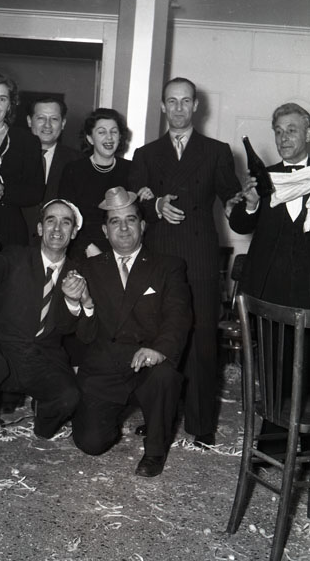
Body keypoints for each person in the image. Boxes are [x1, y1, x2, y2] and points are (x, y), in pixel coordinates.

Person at [129, 77, 241, 447]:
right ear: (163, 106)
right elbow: (134, 205)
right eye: (172, 101)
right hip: (159, 257)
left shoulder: (217, 151)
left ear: (196, 106)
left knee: (203, 339)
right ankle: (156, 417)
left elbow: (233, 200)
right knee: (157, 334)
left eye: (185, 101)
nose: (178, 108)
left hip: (200, 258)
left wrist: (244, 203)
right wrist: (156, 205)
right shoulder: (146, 154)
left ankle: (201, 422)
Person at [60, 186, 191, 477]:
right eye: (115, 222)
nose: (123, 228)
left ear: (143, 226)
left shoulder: (168, 266)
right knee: (91, 443)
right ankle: (114, 416)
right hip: (105, 366)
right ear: (105, 231)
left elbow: (178, 316)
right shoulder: (88, 268)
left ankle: (155, 450)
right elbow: (84, 335)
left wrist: (159, 350)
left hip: (147, 362)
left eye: (130, 220)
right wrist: (82, 303)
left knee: (165, 376)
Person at [0, 199, 83, 455]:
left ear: (74, 232)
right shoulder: (17, 257)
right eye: (51, 221)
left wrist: (73, 300)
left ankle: (42, 421)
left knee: (70, 396)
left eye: (65, 222)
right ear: (40, 228)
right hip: (5, 350)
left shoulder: (78, 272)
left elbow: (70, 328)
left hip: (44, 356)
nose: (57, 229)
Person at [229, 102, 310, 453]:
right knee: (274, 369)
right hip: (269, 292)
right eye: (278, 132)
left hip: (308, 291)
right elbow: (239, 225)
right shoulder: (265, 178)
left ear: (308, 133)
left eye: (291, 130)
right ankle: (274, 445)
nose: (283, 138)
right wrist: (250, 203)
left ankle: (305, 444)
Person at [0, 72, 44, 332]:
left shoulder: (27, 141)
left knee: (5, 308)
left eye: (2, 99)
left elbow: (36, 192)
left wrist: (3, 191)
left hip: (11, 234)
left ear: (10, 104)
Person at [58, 108, 132, 259]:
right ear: (90, 138)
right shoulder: (74, 170)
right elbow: (67, 216)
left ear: (120, 137)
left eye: (114, 132)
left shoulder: (131, 169)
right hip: (84, 249)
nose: (109, 137)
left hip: (123, 249)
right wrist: (88, 247)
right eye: (101, 132)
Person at [23, 97, 81, 245]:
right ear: (29, 121)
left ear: (63, 123)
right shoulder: (12, 156)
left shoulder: (78, 161)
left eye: (54, 119)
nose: (47, 125)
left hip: (59, 245)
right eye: (41, 118)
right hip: (18, 244)